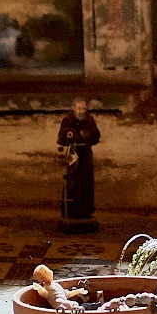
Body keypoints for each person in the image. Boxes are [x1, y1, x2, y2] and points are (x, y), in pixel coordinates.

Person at [58, 98, 101, 233]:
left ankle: (85, 211)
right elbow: (62, 137)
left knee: (86, 182)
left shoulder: (89, 120)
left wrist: (86, 135)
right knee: (73, 182)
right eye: (79, 108)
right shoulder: (68, 120)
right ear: (74, 109)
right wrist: (75, 135)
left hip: (85, 155)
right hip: (74, 154)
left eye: (83, 109)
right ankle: (71, 211)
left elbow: (96, 135)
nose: (82, 111)